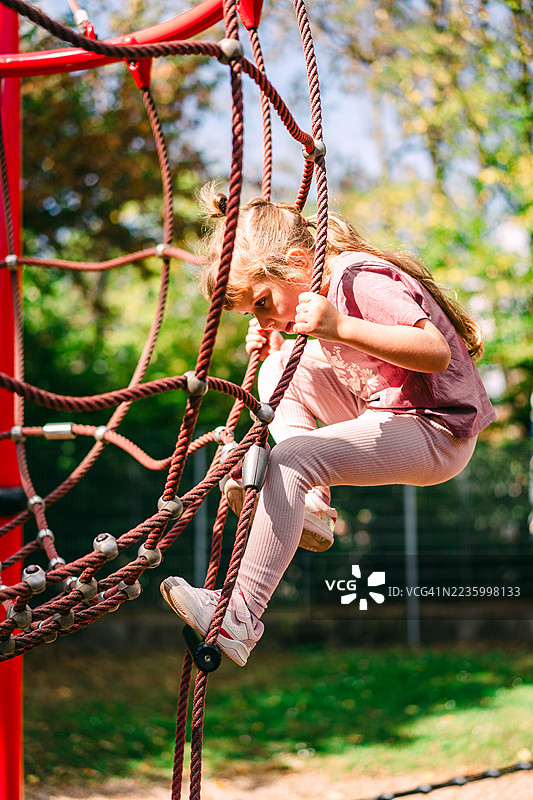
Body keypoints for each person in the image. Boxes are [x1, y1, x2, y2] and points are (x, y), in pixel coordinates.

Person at [160, 186, 496, 667]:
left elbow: (435, 352)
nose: (263, 315)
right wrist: (278, 334)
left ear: (298, 262)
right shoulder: (318, 285)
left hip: (437, 429)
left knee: (292, 459)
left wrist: (337, 327)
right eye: (253, 311)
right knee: (278, 370)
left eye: (261, 301)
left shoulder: (358, 277)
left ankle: (240, 617)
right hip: (388, 410)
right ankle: (310, 504)